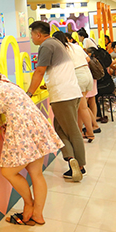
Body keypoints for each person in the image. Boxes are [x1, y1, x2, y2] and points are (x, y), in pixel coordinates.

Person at [0, 57, 63, 226]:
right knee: (36, 173)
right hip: (35, 122)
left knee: (8, 171)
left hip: (21, 125)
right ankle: (37, 215)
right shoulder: (5, 82)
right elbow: (3, 103)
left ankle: (29, 204)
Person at [28, 21, 86, 182]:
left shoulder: (46, 46)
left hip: (63, 95)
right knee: (60, 129)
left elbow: (40, 71)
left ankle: (80, 165)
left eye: (32, 35)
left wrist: (29, 93)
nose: (32, 38)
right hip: (71, 92)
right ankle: (71, 159)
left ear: (38, 34)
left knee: (72, 130)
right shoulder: (56, 43)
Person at [55, 32, 96, 143]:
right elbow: (88, 60)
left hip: (78, 76)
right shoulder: (76, 47)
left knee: (82, 107)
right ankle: (80, 131)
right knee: (80, 107)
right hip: (87, 74)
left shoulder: (62, 50)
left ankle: (90, 133)